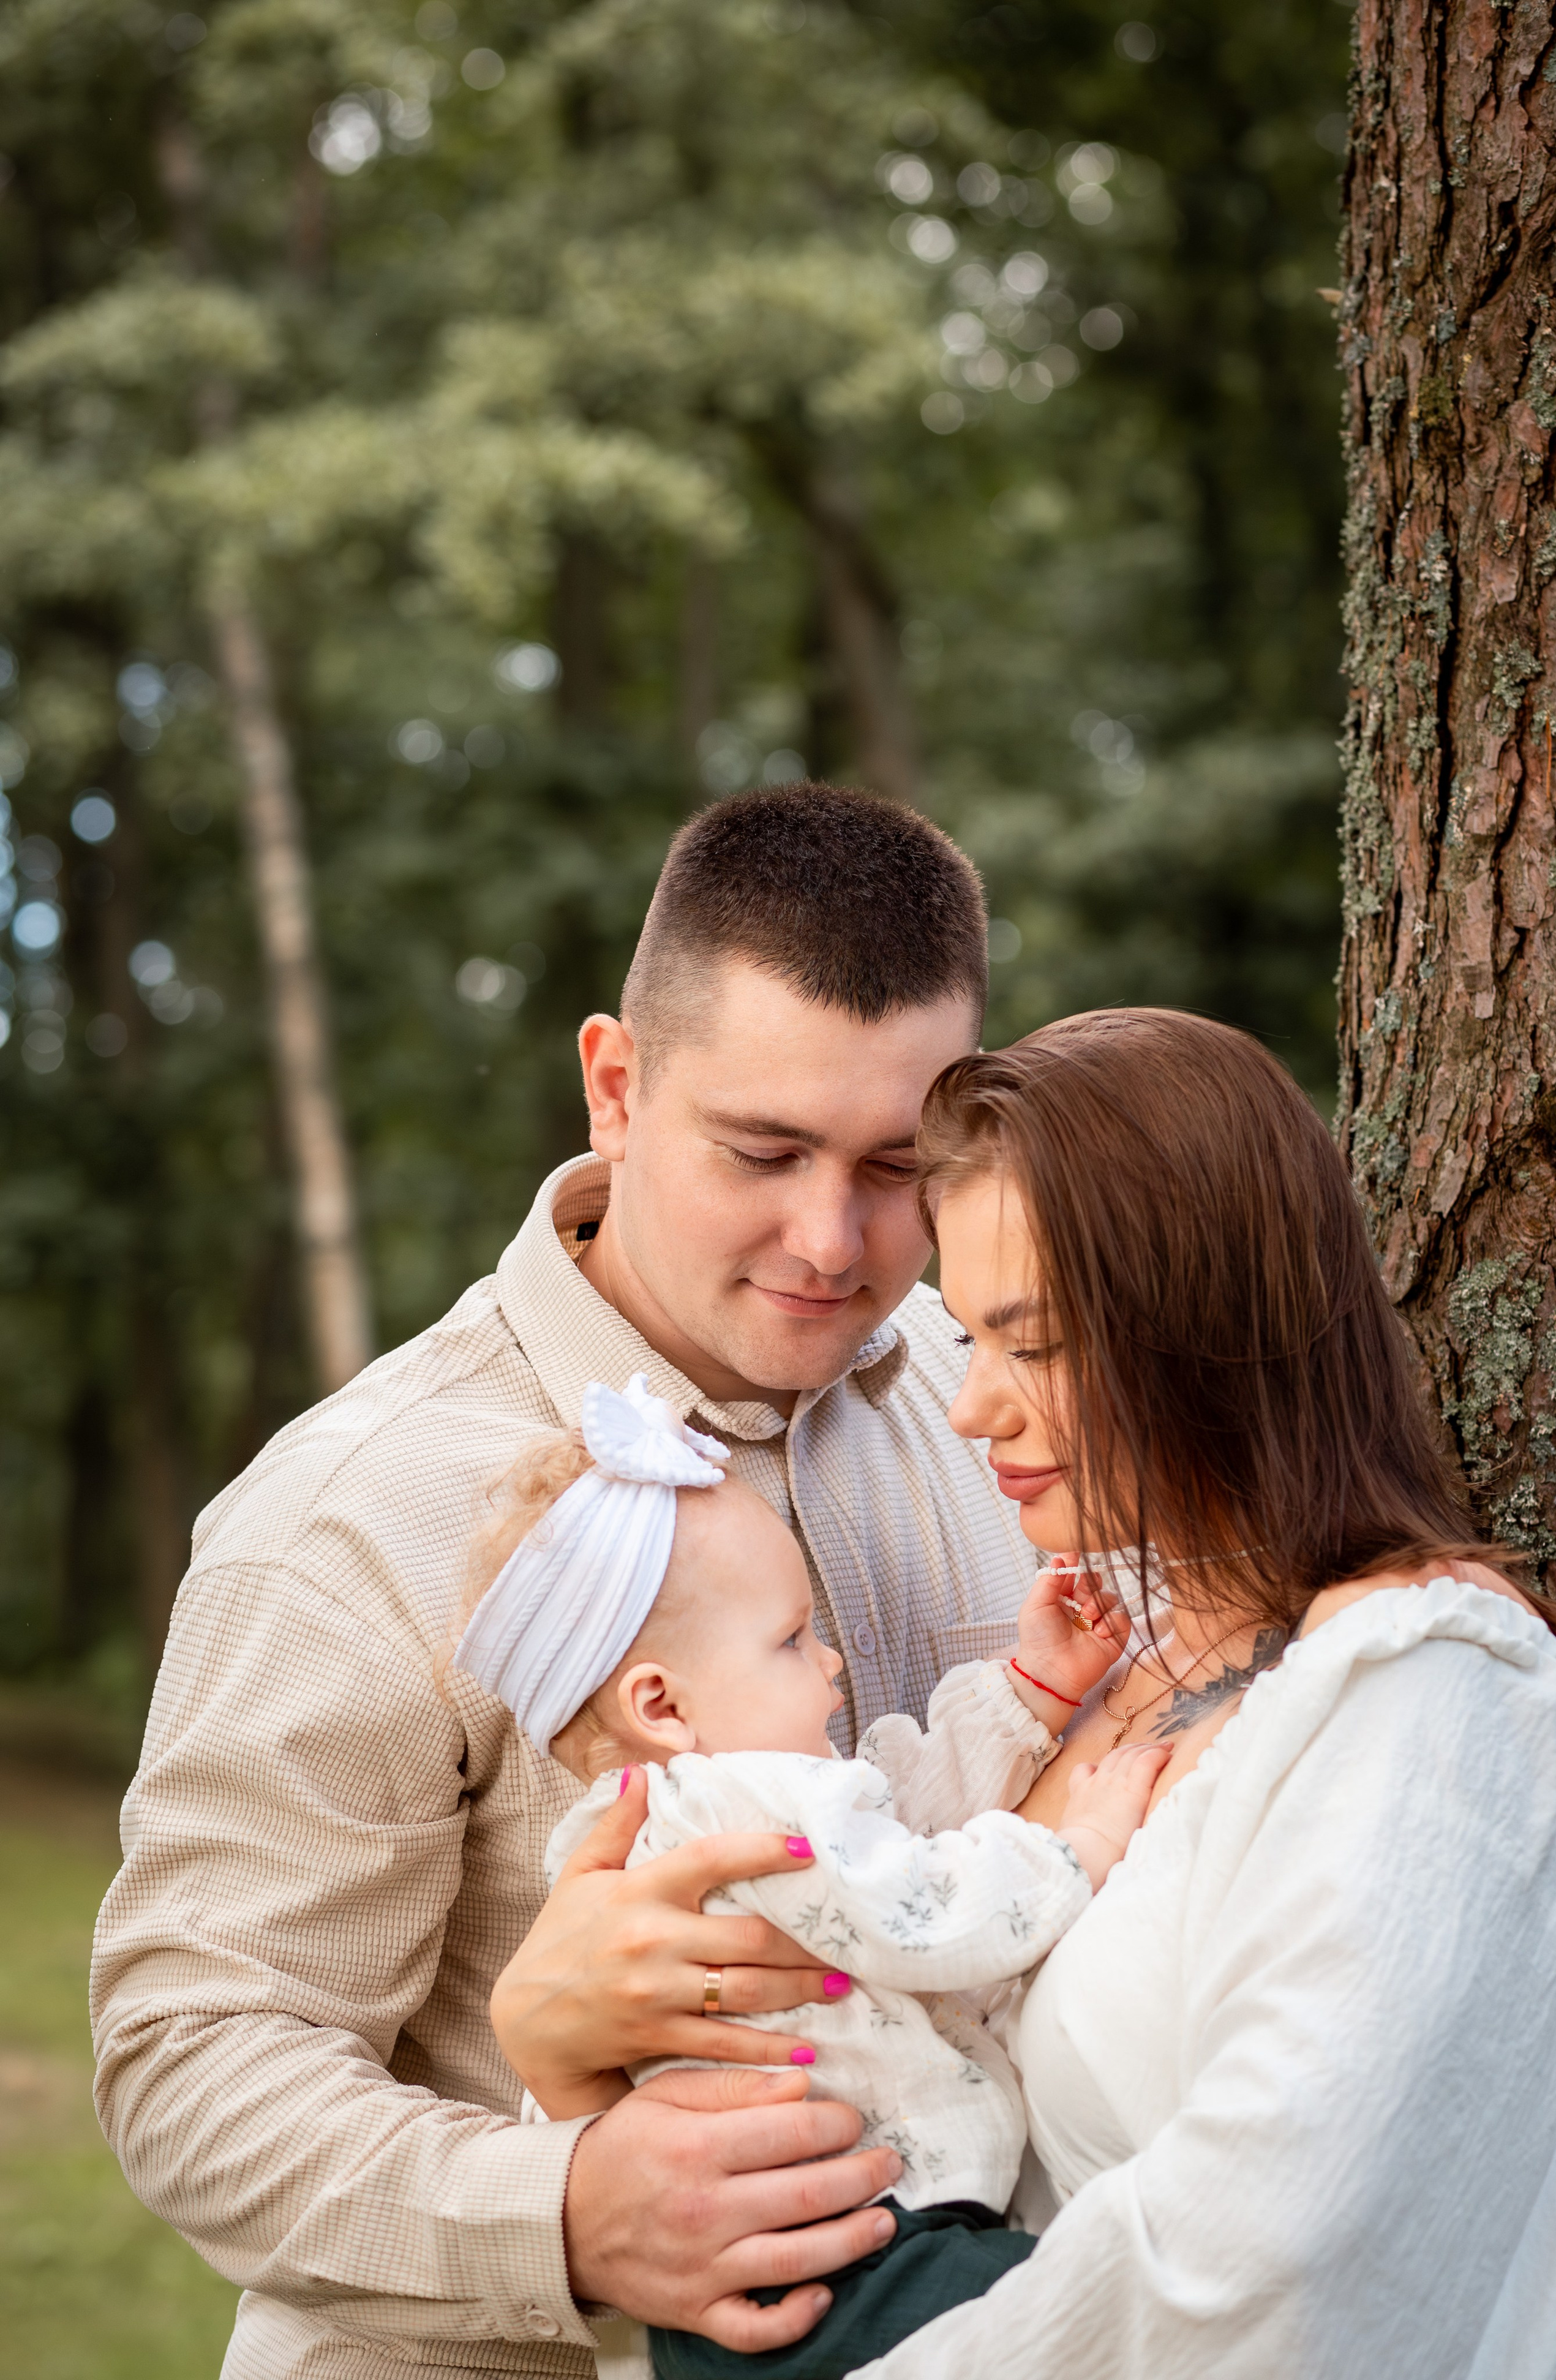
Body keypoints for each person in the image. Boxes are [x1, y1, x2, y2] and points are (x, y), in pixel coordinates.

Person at [89, 785, 1043, 2379]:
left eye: (897, 1163)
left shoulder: (1002, 1395)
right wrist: (565, 2207)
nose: (834, 1236)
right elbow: (194, 2057)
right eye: (765, 1147)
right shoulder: (351, 1514)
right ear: (615, 1083)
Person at [840, 1007, 1556, 2379]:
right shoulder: (1100, 1656)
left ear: (1207, 1328)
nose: (968, 1408)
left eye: (1033, 1343)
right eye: (964, 1341)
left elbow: (1282, 2262)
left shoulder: (1430, 1694)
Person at [446, 1371, 1167, 2379]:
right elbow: (922, 1908)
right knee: (1118, 2321)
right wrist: (1075, 1847)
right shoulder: (744, 1805)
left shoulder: (615, 1849)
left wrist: (1028, 1697)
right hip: (861, 2252)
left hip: (733, 2294)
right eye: (792, 1639)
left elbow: (897, 1815)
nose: (828, 1665)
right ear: (663, 1705)